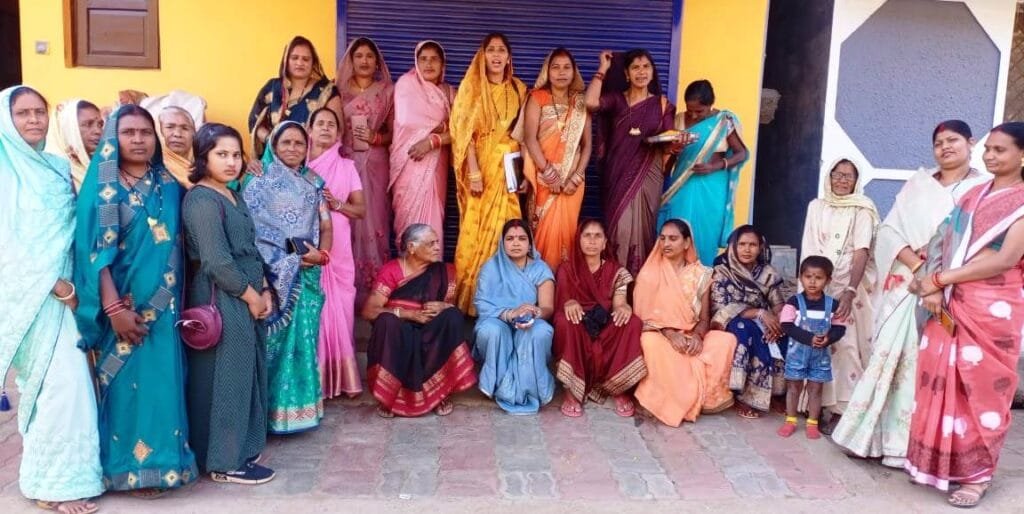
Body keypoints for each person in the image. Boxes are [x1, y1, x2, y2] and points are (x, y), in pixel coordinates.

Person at [832, 120, 990, 467]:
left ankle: (913, 447)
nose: (945, 147)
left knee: (929, 366)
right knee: (889, 355)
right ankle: (871, 438)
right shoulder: (918, 184)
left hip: (952, 285)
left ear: (971, 142)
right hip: (906, 282)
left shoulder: (982, 188)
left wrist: (936, 274)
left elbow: (980, 240)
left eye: (952, 140)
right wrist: (916, 265)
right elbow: (889, 230)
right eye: (938, 143)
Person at [74, 104, 197, 495]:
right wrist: (113, 310)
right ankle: (126, 468)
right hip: (123, 311)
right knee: (127, 389)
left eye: (145, 132)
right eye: (128, 133)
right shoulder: (102, 188)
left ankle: (166, 465)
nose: (139, 140)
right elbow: (93, 254)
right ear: (114, 139)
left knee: (163, 385)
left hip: (165, 309)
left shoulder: (170, 184)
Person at [903, 122, 1024, 508]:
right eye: (988, 149)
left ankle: (977, 476)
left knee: (981, 389)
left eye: (1000, 150)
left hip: (991, 308)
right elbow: (941, 239)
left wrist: (940, 279)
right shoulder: (974, 195)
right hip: (947, 302)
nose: (990, 156)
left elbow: (1005, 259)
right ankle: (937, 464)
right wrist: (932, 286)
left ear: (1022, 155)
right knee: (940, 382)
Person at [0, 86, 103, 514]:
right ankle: (53, 486)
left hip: (69, 293)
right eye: (22, 113)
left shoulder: (58, 167)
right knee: (57, 385)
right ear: (7, 120)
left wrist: (76, 287)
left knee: (70, 386)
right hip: (33, 296)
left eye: (39, 112)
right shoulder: (4, 171)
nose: (33, 120)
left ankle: (61, 476)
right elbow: (9, 243)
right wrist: (57, 287)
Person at [182, 123, 275, 484]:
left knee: (245, 374)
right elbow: (217, 261)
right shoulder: (202, 200)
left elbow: (249, 248)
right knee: (227, 380)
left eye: (236, 154)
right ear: (203, 157)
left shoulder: (232, 194)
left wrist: (265, 290)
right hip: (223, 299)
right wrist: (251, 297)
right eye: (221, 154)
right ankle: (224, 462)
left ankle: (242, 448)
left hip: (246, 296)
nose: (232, 162)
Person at [241, 121, 331, 434]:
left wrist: (322, 255)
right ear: (273, 146)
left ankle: (300, 413)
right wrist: (282, 262)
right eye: (286, 142)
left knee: (304, 341)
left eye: (299, 143)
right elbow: (248, 230)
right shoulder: (257, 179)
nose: (293, 148)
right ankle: (268, 416)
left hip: (307, 273)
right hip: (271, 275)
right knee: (273, 345)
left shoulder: (313, 181)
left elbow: (326, 224)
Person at [362, 224, 477, 417]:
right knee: (385, 322)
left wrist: (444, 306)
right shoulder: (392, 270)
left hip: (429, 329)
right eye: (431, 243)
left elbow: (450, 307)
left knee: (453, 316)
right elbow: (369, 311)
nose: (438, 247)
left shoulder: (442, 272)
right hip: (399, 329)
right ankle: (389, 397)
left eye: (437, 242)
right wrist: (409, 314)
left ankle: (439, 393)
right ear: (411, 247)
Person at [799, 157, 879, 434]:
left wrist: (850, 290)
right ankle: (814, 404)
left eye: (849, 176)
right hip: (817, 284)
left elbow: (862, 251)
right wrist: (810, 286)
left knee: (845, 346)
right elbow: (809, 245)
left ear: (857, 181)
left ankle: (842, 409)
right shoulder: (816, 206)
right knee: (815, 342)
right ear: (829, 176)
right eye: (837, 174)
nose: (842, 180)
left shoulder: (862, 208)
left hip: (847, 287)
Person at [451, 33, 528, 315]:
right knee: (474, 231)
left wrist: (525, 173)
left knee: (509, 229)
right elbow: (464, 135)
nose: (496, 55)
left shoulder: (519, 89)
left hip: (509, 171)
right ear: (482, 56)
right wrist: (473, 171)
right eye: (491, 50)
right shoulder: (472, 89)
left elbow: (525, 134)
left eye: (501, 50)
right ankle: (470, 301)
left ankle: (505, 301)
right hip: (481, 170)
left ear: (509, 57)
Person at [634, 219, 738, 426]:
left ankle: (707, 399)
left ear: (687, 243)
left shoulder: (701, 274)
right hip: (660, 334)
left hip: (691, 334)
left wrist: (698, 337)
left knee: (724, 340)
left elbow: (704, 318)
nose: (666, 244)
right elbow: (642, 318)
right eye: (662, 238)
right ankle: (677, 399)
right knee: (649, 342)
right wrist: (670, 334)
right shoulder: (649, 274)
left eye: (673, 239)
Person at [585, 49, 677, 274]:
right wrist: (603, 68)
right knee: (620, 229)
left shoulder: (662, 105)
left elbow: (668, 141)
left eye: (646, 67)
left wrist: (677, 144)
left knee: (644, 231)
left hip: (649, 175)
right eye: (635, 67)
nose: (641, 72)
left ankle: (639, 283)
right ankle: (616, 281)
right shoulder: (617, 100)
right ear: (626, 74)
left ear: (653, 72)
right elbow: (590, 103)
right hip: (617, 175)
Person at [552, 219, 646, 417]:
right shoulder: (567, 269)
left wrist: (623, 307)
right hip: (578, 324)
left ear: (604, 243)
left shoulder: (616, 271)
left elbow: (619, 302)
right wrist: (570, 302)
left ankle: (617, 387)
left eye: (597, 236)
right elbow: (563, 300)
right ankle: (571, 391)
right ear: (579, 240)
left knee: (632, 322)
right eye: (587, 235)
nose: (592, 241)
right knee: (563, 321)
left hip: (604, 325)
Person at [307, 107, 367, 399]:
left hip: (339, 245)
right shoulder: (298, 164)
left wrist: (337, 204)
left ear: (339, 133)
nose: (325, 128)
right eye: (320, 123)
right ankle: (314, 381)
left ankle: (344, 379)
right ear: (309, 130)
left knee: (340, 305)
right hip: (309, 242)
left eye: (331, 125)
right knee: (314, 306)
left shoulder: (346, 167)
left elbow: (360, 210)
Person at [657, 80, 749, 265]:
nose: (693, 115)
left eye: (699, 111)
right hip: (682, 184)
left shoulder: (723, 122)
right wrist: (674, 149)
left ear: (710, 105)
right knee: (676, 230)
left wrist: (715, 166)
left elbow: (742, 153)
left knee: (705, 234)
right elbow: (669, 157)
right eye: (690, 110)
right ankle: (673, 278)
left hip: (712, 187)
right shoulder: (679, 120)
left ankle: (702, 277)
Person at [473, 219, 556, 414]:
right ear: (502, 243)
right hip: (497, 319)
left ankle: (532, 389)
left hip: (528, 321)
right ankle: (498, 385)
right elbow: (481, 305)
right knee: (492, 331)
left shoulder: (540, 268)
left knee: (541, 332)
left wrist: (534, 313)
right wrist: (510, 314)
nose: (516, 243)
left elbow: (547, 308)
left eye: (521, 238)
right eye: (510, 239)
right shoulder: (491, 268)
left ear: (530, 243)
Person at [521, 48, 592, 270]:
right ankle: (538, 284)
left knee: (566, 237)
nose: (561, 72)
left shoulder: (581, 103)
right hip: (543, 180)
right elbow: (529, 138)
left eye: (566, 67)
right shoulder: (537, 98)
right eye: (556, 67)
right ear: (547, 71)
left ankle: (563, 284)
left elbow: (587, 145)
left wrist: (576, 177)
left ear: (574, 72)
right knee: (540, 233)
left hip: (572, 183)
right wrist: (549, 173)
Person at [337, 37, 394, 308]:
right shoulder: (337, 91)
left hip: (376, 163)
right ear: (351, 60)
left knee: (376, 219)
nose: (364, 61)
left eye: (370, 56)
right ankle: (345, 288)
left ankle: (375, 290)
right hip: (345, 162)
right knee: (345, 221)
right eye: (359, 55)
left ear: (377, 62)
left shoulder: (387, 91)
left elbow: (396, 133)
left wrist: (375, 138)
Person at [710, 225, 787, 418]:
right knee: (746, 329)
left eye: (752, 245)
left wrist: (778, 321)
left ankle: (777, 393)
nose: (747, 249)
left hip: (761, 320)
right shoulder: (722, 272)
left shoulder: (767, 273)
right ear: (733, 246)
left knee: (784, 332)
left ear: (760, 248)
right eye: (742, 244)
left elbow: (778, 304)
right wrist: (760, 313)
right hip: (733, 321)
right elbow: (720, 308)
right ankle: (744, 396)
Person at [390, 40, 455, 248]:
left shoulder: (449, 92)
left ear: (442, 64)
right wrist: (441, 125)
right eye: (423, 59)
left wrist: (432, 140)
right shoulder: (405, 85)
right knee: (407, 221)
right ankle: (408, 265)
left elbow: (462, 130)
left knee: (432, 219)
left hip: (435, 165)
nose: (428, 64)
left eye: (434, 59)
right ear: (416, 63)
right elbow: (406, 120)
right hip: (407, 163)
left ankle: (431, 266)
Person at [777, 256, 846, 440]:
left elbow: (840, 328)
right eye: (808, 277)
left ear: (828, 280)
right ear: (801, 278)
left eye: (819, 277)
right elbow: (786, 325)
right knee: (794, 388)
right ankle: (790, 421)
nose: (813, 282)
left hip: (820, 357)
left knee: (816, 390)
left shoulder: (833, 305)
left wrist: (829, 339)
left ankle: (812, 423)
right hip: (796, 355)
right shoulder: (793, 302)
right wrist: (809, 338)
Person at [248, 35, 342, 156]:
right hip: (274, 157)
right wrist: (272, 141)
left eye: (306, 59)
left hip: (312, 159)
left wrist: (312, 155)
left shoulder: (327, 91)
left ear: (313, 62)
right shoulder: (272, 87)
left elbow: (338, 130)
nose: (300, 63)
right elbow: (255, 123)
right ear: (286, 60)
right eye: (294, 58)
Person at [44, 98, 102, 190]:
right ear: (68, 128)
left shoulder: (99, 164)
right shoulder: (50, 172)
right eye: (88, 124)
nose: (98, 131)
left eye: (100, 125)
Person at [157, 106, 198, 187]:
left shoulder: (206, 168)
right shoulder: (149, 169)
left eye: (185, 128)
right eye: (170, 127)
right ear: (158, 131)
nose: (178, 134)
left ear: (193, 133)